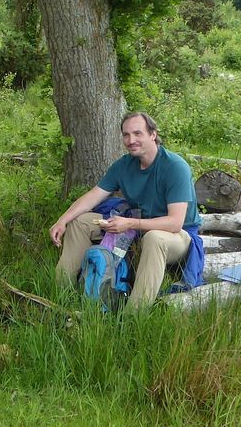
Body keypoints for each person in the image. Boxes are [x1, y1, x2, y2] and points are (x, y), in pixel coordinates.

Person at [50, 112, 203, 309]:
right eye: (126, 135)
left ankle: (135, 314)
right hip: (138, 227)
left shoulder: (174, 167)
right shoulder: (124, 165)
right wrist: (62, 220)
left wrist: (130, 223)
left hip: (178, 237)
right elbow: (93, 196)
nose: (131, 140)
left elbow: (175, 223)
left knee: (155, 237)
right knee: (81, 221)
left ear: (153, 134)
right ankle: (61, 293)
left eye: (137, 133)